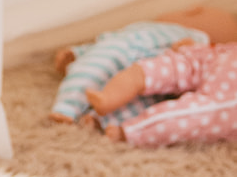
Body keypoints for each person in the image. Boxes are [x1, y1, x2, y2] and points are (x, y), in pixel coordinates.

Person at [49, 6, 237, 127]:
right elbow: (109, 40)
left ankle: (96, 118)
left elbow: (189, 62)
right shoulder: (146, 28)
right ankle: (67, 107)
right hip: (121, 50)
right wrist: (76, 52)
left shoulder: (198, 40)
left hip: (149, 70)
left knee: (143, 100)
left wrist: (190, 46)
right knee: (94, 65)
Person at [87, 39, 237, 147]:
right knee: (196, 113)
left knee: (193, 112)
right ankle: (113, 108)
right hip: (218, 58)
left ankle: (117, 118)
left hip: (218, 59)